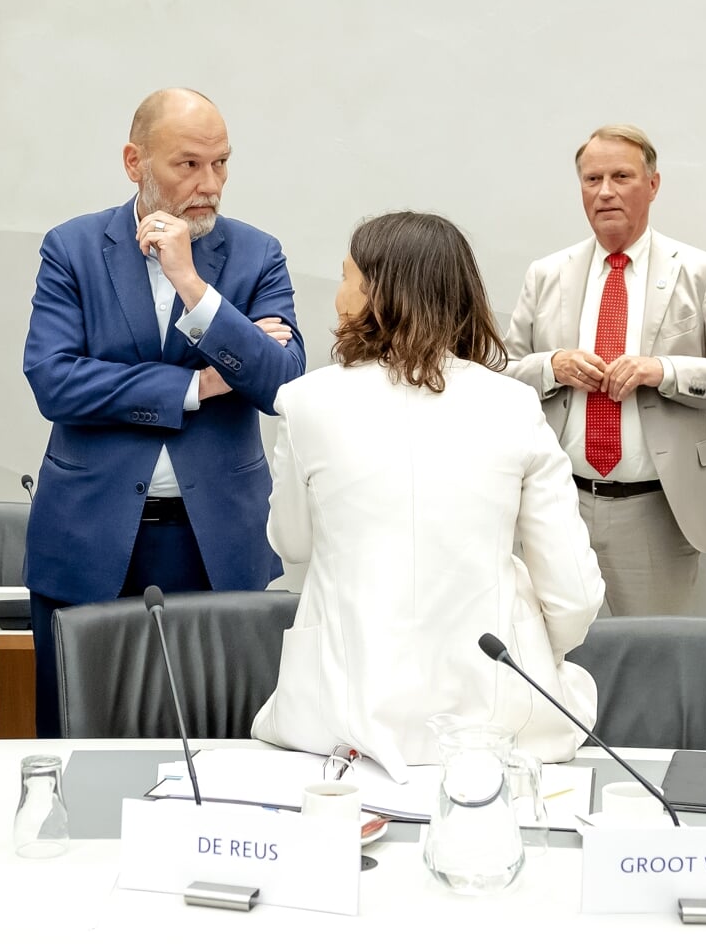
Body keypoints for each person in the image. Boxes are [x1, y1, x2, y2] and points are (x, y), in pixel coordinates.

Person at [252, 211, 605, 781]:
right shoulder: (514, 405)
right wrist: (544, 653)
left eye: (347, 278)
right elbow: (573, 593)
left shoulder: (304, 402)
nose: (338, 294)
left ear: (375, 295)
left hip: (339, 722)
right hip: (497, 728)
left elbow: (290, 542)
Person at [23, 87, 305, 737]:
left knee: (219, 738)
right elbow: (53, 382)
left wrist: (193, 287)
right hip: (89, 537)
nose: (210, 183)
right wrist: (192, 388)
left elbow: (281, 382)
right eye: (188, 165)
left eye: (221, 163)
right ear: (134, 162)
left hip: (217, 542)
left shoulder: (256, 254)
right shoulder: (71, 248)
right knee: (79, 735)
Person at [503, 124, 706, 614]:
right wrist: (552, 366)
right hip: (559, 503)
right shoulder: (546, 274)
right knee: (558, 664)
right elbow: (500, 374)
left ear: (653, 184)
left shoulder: (699, 272)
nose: (604, 191)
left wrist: (663, 371)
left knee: (652, 665)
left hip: (656, 511)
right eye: (591, 179)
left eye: (621, 176)